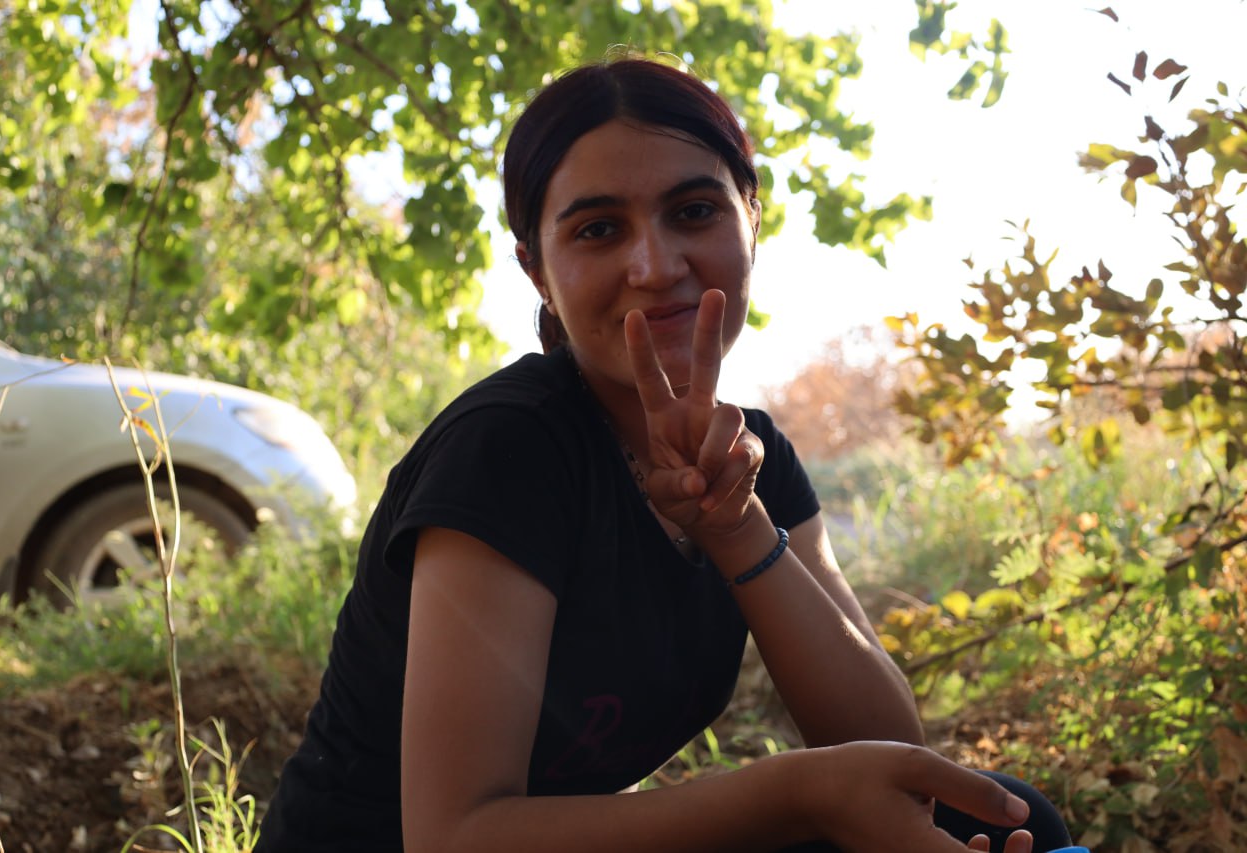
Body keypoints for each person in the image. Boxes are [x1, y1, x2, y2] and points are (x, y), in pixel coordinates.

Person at [255, 57, 1075, 853]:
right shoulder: (508, 449)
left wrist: (736, 527)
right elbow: (456, 836)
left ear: (751, 219)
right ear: (537, 271)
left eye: (693, 211)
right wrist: (796, 793)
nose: (654, 267)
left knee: (1008, 820)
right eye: (598, 229)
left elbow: (890, 752)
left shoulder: (757, 456)